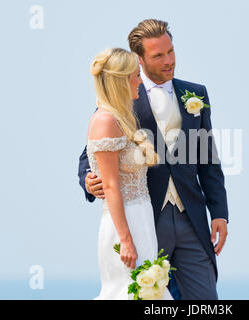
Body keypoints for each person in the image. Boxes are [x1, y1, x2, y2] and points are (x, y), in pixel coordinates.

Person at [79, 19, 229, 300]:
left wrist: (219, 212)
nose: (168, 60)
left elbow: (209, 159)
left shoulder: (195, 94)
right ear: (139, 58)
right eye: (158, 55)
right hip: (147, 218)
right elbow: (92, 153)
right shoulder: (121, 99)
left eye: (170, 51)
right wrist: (89, 180)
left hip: (192, 218)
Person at [86, 47, 172, 300]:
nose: (140, 80)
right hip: (124, 225)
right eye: (136, 75)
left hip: (142, 219)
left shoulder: (122, 119)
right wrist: (125, 240)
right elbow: (111, 186)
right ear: (121, 81)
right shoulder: (106, 121)